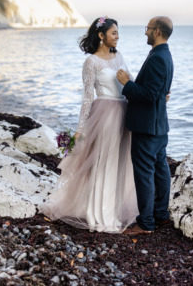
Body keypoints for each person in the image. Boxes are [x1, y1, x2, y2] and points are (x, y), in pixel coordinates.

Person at [42, 16, 138, 232]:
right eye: (114, 33)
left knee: (120, 162)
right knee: (104, 162)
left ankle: (114, 208)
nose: (118, 36)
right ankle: (100, 213)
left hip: (124, 113)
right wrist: (80, 131)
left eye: (118, 32)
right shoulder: (91, 62)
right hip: (104, 115)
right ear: (101, 36)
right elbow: (87, 98)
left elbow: (130, 82)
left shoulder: (119, 56)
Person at [116, 16, 174, 235]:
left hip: (147, 127)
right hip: (159, 126)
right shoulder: (164, 55)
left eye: (148, 28)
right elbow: (160, 92)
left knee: (144, 174)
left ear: (157, 31)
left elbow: (149, 95)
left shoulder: (159, 58)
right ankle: (161, 214)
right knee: (161, 169)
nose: (145, 32)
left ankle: (146, 223)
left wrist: (127, 84)